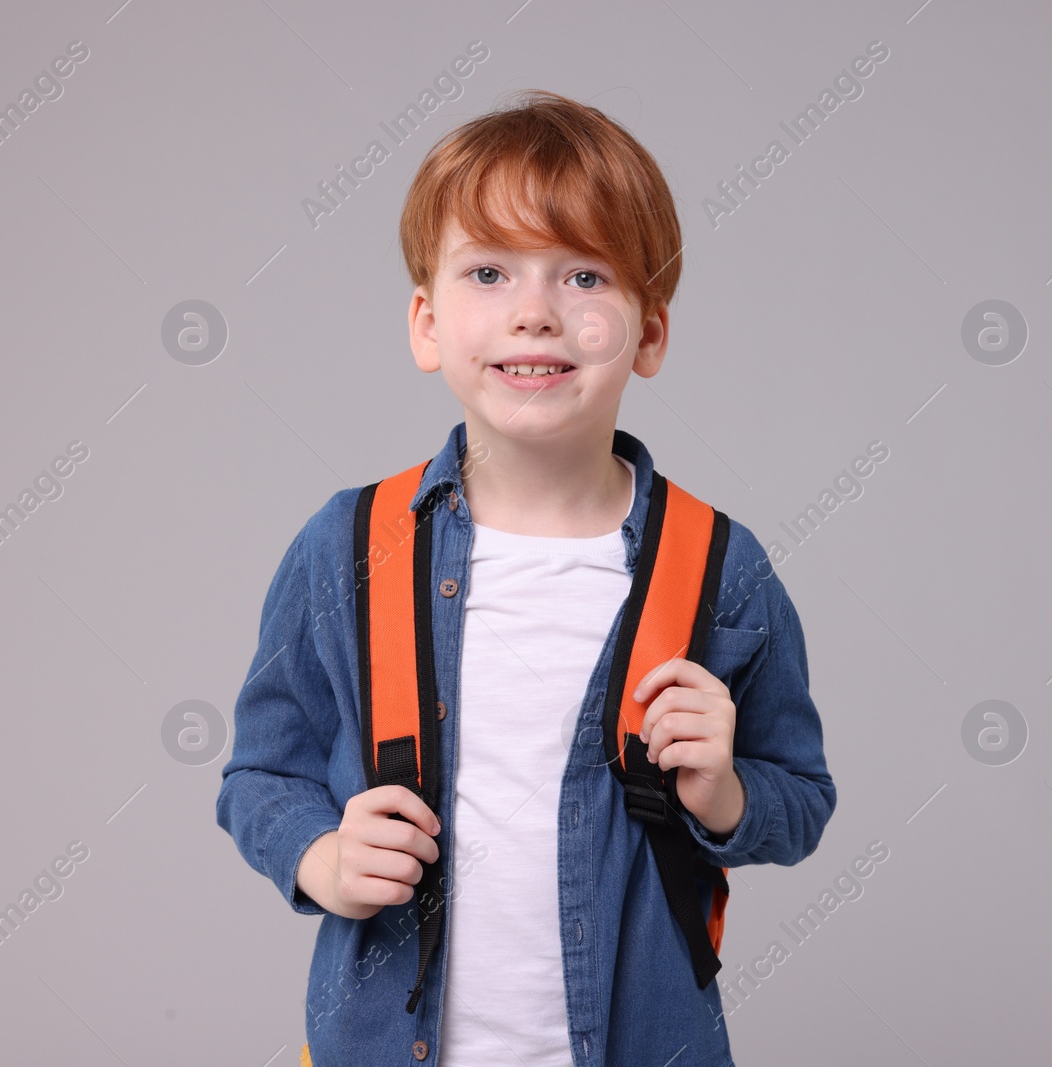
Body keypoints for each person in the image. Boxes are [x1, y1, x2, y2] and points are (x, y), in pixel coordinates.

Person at [215, 88, 836, 1067]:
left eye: (585, 275)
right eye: (490, 272)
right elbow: (261, 772)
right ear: (426, 323)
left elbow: (798, 795)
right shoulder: (348, 545)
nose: (537, 313)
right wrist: (322, 857)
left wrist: (721, 789)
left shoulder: (719, 567)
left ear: (651, 332)